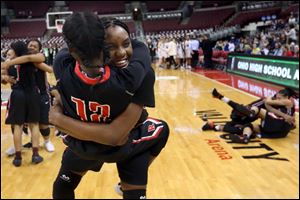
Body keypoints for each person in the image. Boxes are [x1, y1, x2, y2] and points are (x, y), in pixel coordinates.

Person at [50, 13, 169, 199]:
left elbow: (68, 53)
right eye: (110, 47)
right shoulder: (134, 77)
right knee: (162, 129)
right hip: (119, 147)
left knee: (61, 188)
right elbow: (114, 136)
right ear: (100, 49)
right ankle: (127, 182)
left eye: (125, 43)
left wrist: (58, 118)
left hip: (79, 146)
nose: (121, 52)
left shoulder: (62, 64)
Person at [4, 39, 55, 156]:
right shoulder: (19, 61)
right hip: (27, 94)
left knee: (41, 122)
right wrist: (6, 77)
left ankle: (47, 141)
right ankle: (19, 146)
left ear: (39, 49)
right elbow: (7, 77)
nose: (32, 47)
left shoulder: (38, 57)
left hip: (41, 94)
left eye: (35, 46)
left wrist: (9, 62)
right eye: (30, 45)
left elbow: (49, 69)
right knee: (20, 123)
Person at [2, 41, 43, 166]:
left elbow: (4, 78)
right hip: (31, 93)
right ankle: (35, 155)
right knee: (34, 124)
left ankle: (18, 157)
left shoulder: (9, 63)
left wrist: (5, 77)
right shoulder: (31, 60)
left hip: (17, 94)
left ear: (16, 50)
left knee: (18, 126)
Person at [203, 88, 297, 144]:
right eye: (276, 97)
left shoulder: (288, 101)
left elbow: (268, 102)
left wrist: (269, 99)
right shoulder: (284, 106)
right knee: (247, 127)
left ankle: (251, 111)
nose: (277, 99)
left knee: (258, 108)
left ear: (286, 97)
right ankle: (244, 137)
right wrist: (286, 117)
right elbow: (271, 109)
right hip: (278, 132)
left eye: (279, 97)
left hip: (276, 125)